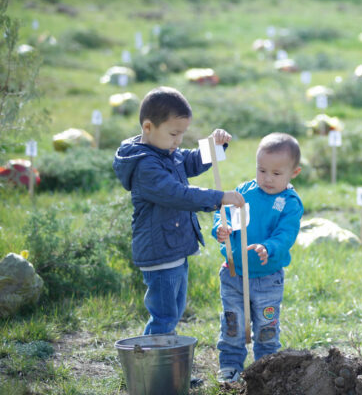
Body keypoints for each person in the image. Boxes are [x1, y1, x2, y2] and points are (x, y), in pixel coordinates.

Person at [113, 86, 246, 339]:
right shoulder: (146, 166)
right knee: (164, 316)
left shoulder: (166, 152)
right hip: (160, 253)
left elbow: (191, 161)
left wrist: (215, 146)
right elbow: (178, 194)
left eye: (182, 134)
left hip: (173, 247)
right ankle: (153, 371)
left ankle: (168, 369)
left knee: (173, 311)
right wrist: (219, 198)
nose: (178, 141)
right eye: (174, 133)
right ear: (148, 127)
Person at [212, 132, 304, 384]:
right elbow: (223, 214)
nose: (267, 178)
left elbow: (286, 234)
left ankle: (267, 369)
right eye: (261, 170)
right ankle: (230, 366)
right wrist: (220, 229)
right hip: (234, 272)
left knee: (266, 326)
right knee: (233, 323)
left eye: (276, 174)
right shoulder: (244, 192)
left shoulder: (289, 203)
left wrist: (269, 247)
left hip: (268, 278)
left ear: (294, 173)